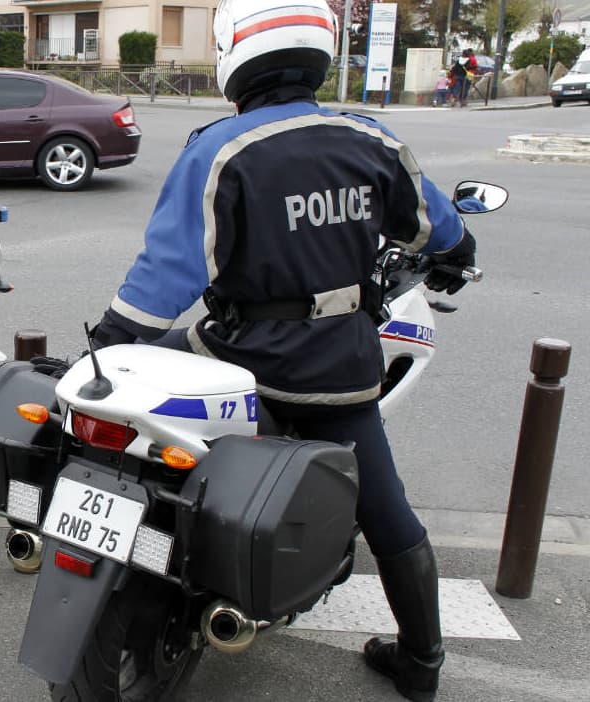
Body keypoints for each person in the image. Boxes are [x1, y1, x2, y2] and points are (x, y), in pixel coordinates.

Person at [87, 1, 476, 699]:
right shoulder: (371, 139)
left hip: (231, 356)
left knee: (143, 428)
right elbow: (438, 232)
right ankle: (421, 663)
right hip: (338, 370)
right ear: (319, 50)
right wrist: (456, 251)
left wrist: (110, 344)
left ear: (236, 53)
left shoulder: (220, 147)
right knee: (388, 514)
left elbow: (169, 271)